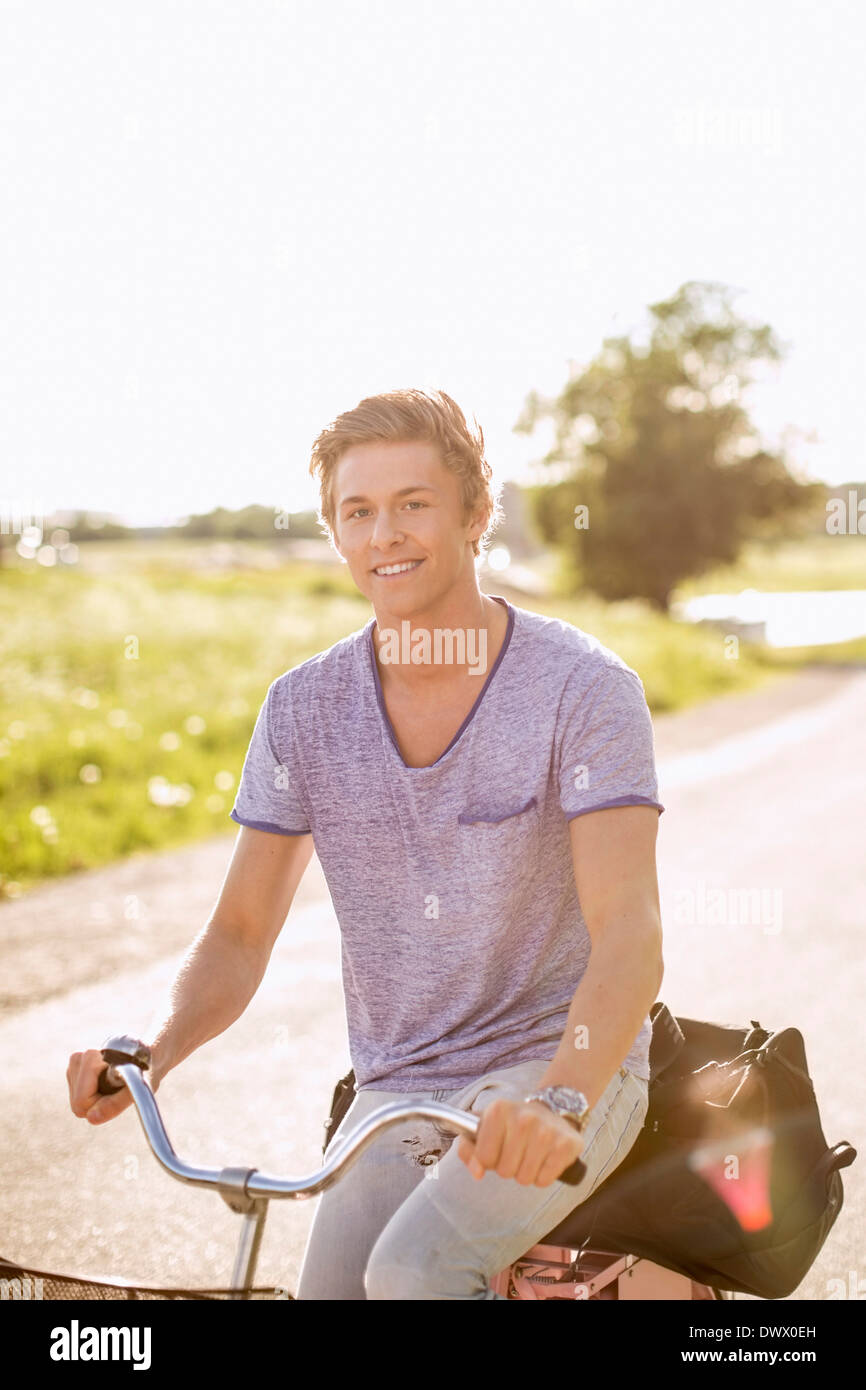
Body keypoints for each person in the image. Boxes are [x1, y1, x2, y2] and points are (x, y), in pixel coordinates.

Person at [67, 387, 665, 1300]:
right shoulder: (304, 709)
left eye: (413, 504)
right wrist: (149, 1049)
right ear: (337, 535)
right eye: (359, 512)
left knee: (415, 1270)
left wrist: (563, 1100)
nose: (385, 534)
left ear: (474, 515)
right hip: (399, 1092)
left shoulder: (582, 689)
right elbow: (237, 933)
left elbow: (629, 930)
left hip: (561, 1064)